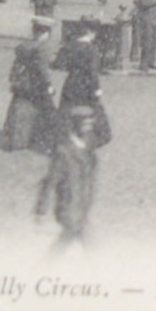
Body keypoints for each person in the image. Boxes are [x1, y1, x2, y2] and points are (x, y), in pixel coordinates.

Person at [34, 104, 105, 254]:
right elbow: (49, 182)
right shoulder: (64, 153)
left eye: (90, 127)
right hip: (69, 210)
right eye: (85, 127)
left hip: (81, 210)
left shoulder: (87, 150)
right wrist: (41, 210)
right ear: (75, 127)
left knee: (62, 247)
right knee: (92, 250)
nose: (89, 131)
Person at [5, 17, 57, 152]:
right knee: (48, 112)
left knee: (19, 110)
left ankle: (17, 139)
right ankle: (45, 141)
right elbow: (42, 69)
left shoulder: (26, 45)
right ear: (46, 32)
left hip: (22, 84)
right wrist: (49, 85)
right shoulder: (43, 47)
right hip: (36, 86)